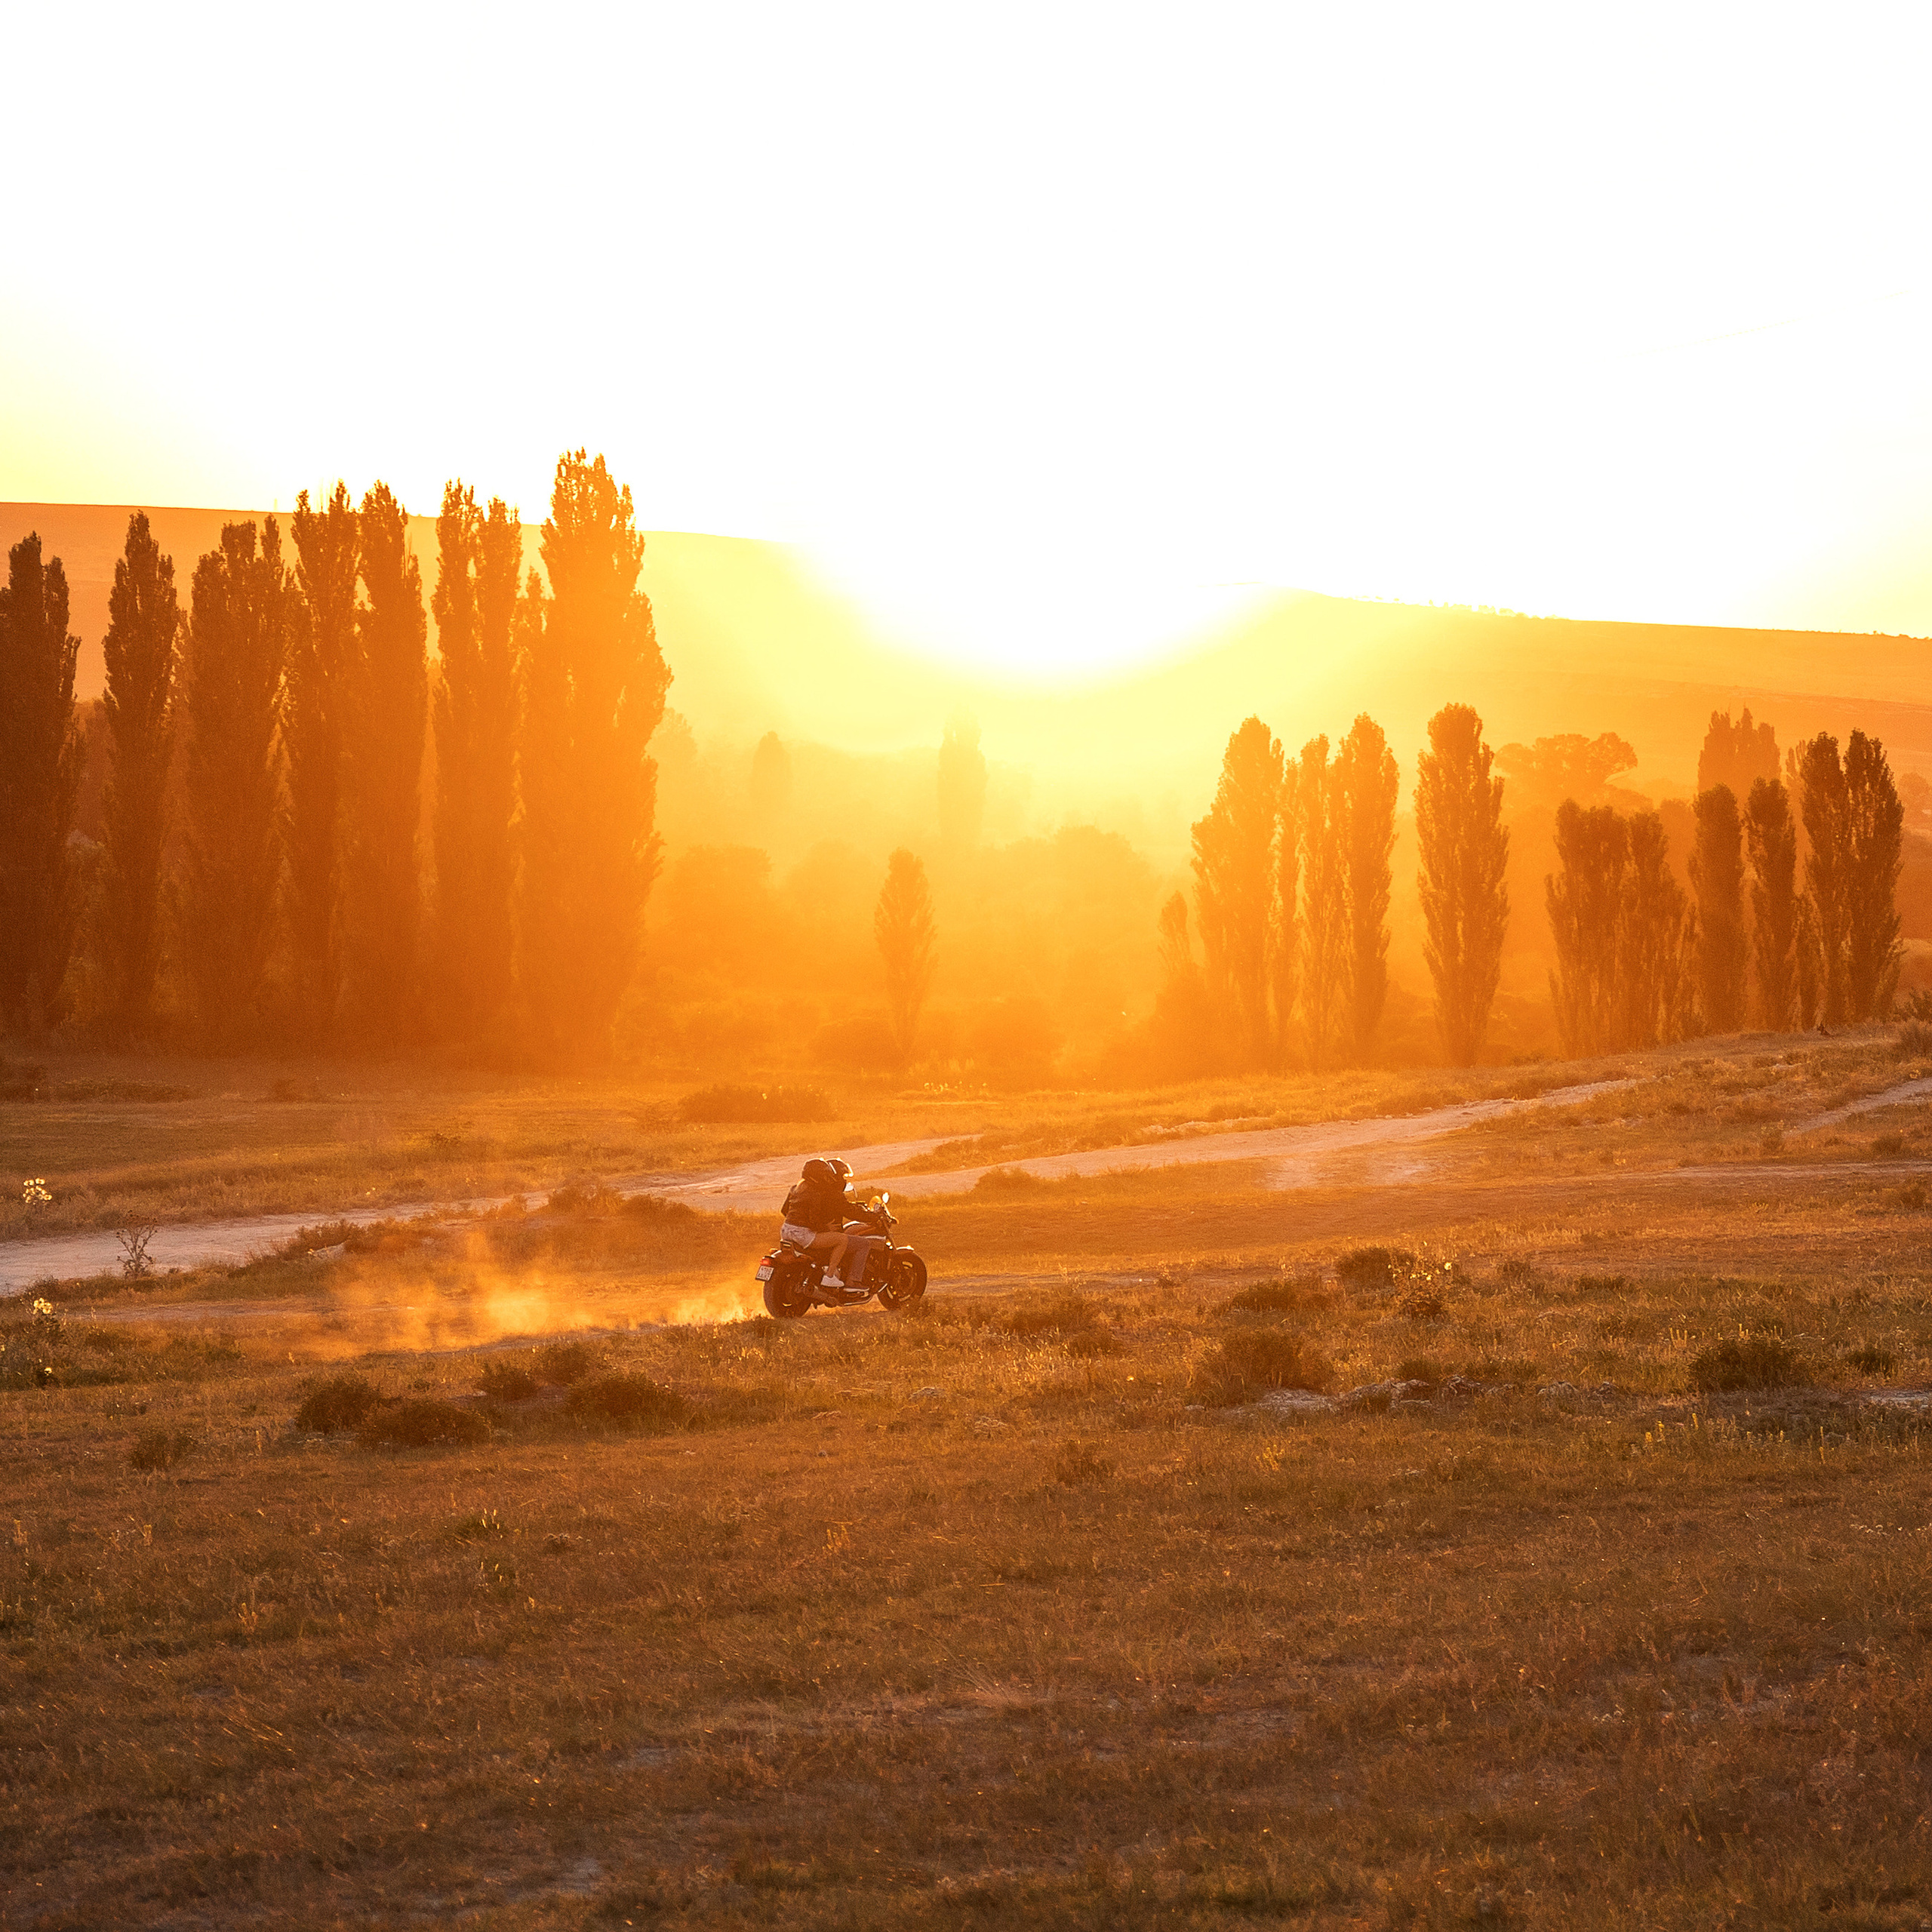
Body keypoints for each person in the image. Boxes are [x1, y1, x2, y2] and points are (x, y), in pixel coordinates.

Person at [779, 1156, 860, 1288]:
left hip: (786, 1231)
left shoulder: (795, 1188)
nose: (827, 1178)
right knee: (842, 1240)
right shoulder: (815, 1193)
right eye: (825, 1175)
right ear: (818, 1176)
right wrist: (826, 1227)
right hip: (803, 1234)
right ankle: (830, 1276)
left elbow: (784, 1211)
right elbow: (814, 1220)